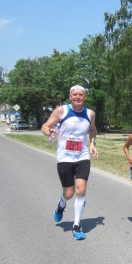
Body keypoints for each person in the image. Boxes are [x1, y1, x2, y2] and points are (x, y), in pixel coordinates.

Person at [41, 85, 98, 240]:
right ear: (70, 96)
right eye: (75, 94)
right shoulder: (61, 111)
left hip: (82, 157)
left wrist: (93, 143)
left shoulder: (90, 113)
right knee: (69, 193)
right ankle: (61, 204)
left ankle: (76, 226)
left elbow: (92, 129)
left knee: (81, 190)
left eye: (80, 94)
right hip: (64, 158)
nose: (77, 97)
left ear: (85, 97)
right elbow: (45, 126)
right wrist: (49, 132)